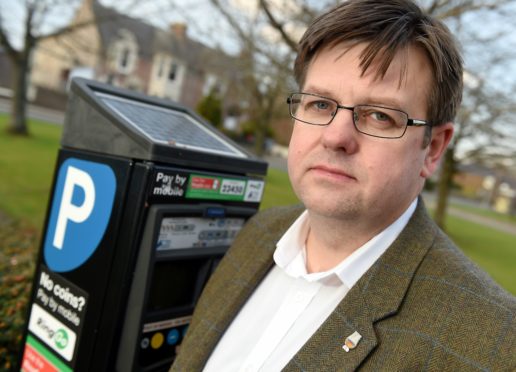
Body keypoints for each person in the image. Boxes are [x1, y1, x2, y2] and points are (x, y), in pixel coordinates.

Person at [171, 0, 516, 370]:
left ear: (431, 150)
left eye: (380, 116)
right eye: (320, 104)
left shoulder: (494, 344)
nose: (336, 137)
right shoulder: (257, 234)